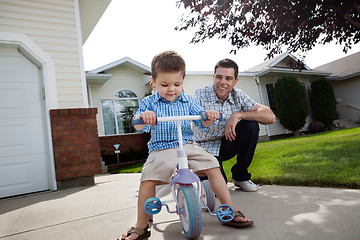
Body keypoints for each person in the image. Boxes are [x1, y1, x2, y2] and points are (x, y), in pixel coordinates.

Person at [120, 51, 253, 240]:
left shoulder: (188, 100)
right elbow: (139, 124)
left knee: (213, 165)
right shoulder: (149, 103)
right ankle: (141, 225)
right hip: (162, 148)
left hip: (188, 145)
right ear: (154, 82)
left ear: (183, 81)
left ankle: (229, 210)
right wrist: (143, 117)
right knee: (148, 178)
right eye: (165, 85)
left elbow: (203, 122)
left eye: (177, 84)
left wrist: (209, 116)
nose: (172, 89)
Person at [193, 59, 276, 192]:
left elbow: (270, 117)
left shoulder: (239, 95)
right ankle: (198, 174)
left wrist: (237, 115)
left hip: (228, 143)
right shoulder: (199, 95)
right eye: (219, 77)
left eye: (228, 78)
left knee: (250, 125)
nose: (223, 82)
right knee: (217, 189)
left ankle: (241, 176)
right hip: (205, 148)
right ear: (213, 77)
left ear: (235, 81)